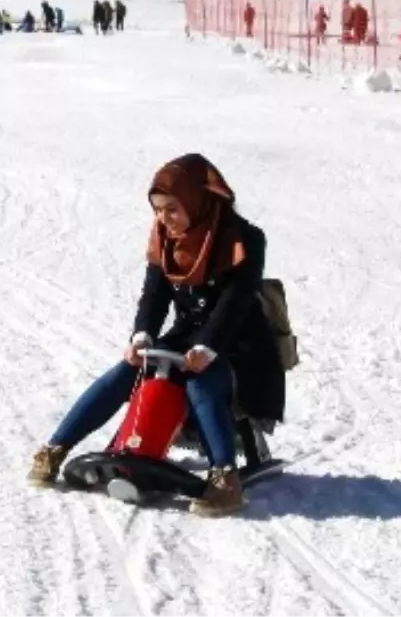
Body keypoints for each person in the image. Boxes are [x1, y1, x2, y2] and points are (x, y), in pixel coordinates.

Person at [27, 154, 284, 517]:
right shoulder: (165, 239)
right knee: (127, 370)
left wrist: (207, 346)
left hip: (241, 345)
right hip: (187, 337)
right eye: (158, 210)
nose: (163, 218)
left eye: (172, 209)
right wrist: (143, 335)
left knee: (199, 381)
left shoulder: (245, 239)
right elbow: (155, 294)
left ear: (197, 201)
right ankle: (55, 449)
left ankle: (226, 479)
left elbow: (237, 301)